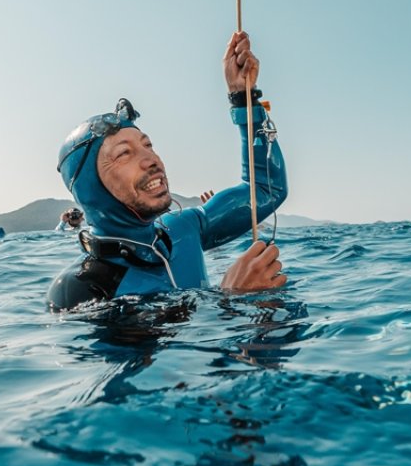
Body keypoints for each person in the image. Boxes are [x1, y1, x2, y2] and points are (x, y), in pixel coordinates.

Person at [47, 31, 288, 311]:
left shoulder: (181, 229)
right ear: (91, 187)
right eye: (124, 154)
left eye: (148, 145)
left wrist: (243, 99)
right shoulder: (80, 289)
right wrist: (230, 297)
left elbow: (266, 189)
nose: (151, 159)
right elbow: (176, 353)